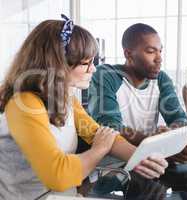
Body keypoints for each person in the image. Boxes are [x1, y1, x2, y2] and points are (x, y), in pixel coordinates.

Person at [0, 16, 168, 200]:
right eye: (86, 63)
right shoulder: (23, 104)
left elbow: (101, 134)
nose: (94, 69)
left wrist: (138, 157)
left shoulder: (67, 99)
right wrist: (98, 150)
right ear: (57, 65)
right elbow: (59, 175)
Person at [88, 23, 187, 163]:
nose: (159, 58)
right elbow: (110, 126)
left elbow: (178, 119)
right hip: (109, 164)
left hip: (150, 160)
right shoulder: (106, 75)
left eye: (160, 51)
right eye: (151, 51)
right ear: (129, 54)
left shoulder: (161, 79)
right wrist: (158, 141)